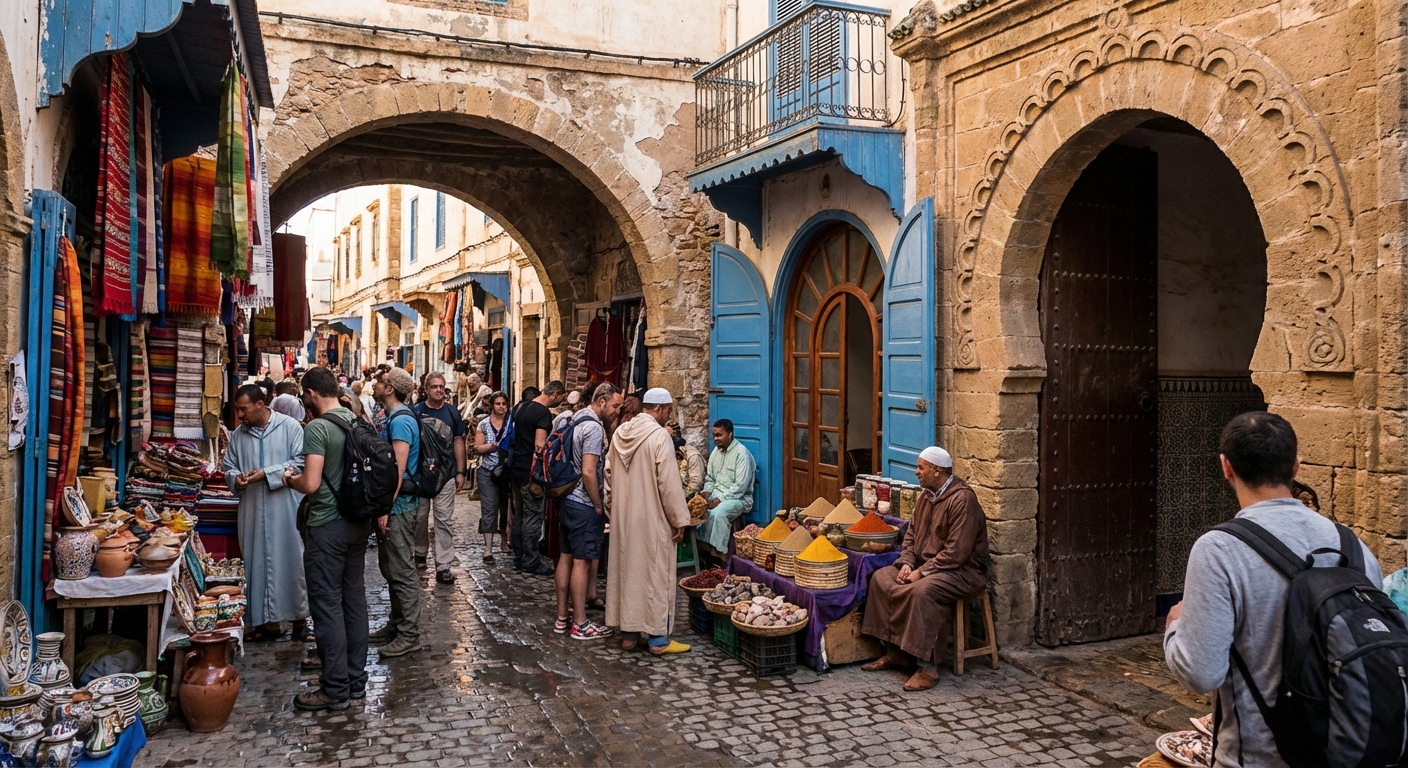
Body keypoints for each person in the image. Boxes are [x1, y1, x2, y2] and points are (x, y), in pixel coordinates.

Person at [1163, 412, 1382, 766]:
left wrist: (1175, 625)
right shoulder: (1352, 545)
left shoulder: (1218, 549)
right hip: (1349, 751)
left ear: (1226, 467)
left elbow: (1200, 673)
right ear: (1295, 467)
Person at [861, 446, 989, 692]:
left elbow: (956, 553)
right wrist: (907, 563)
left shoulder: (962, 499)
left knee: (922, 592)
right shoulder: (926, 497)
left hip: (961, 571)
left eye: (921, 467)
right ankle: (895, 652)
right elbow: (910, 537)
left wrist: (921, 572)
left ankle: (927, 666)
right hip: (926, 566)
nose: (916, 472)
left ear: (937, 470)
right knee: (882, 578)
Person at [282, 367, 371, 711]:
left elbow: (312, 483)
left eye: (306, 396)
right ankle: (356, 681)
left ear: (311, 394)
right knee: (354, 601)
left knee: (327, 605)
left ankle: (335, 688)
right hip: (357, 524)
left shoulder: (319, 428)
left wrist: (291, 479)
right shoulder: (357, 419)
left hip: (326, 526)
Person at [604, 387, 692, 655]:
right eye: (668, 410)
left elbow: (608, 475)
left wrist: (614, 510)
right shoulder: (659, 437)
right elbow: (668, 484)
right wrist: (679, 519)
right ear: (662, 408)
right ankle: (657, 640)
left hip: (624, 520)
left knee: (629, 574)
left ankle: (629, 635)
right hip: (653, 519)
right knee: (655, 576)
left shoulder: (620, 433)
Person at [223, 384, 308, 641]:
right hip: (251, 510)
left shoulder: (290, 427)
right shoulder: (238, 436)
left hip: (285, 509)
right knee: (256, 564)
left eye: (243, 409)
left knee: (291, 562)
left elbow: (300, 463)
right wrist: (235, 479)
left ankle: (299, 620)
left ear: (261, 404)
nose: (240, 415)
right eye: (237, 409)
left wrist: (265, 474)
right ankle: (263, 623)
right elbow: (228, 467)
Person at [553, 383, 622, 640]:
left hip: (567, 500)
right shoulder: (593, 427)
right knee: (581, 562)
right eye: (615, 406)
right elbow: (589, 471)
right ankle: (580, 623)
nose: (617, 411)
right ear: (601, 402)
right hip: (583, 503)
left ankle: (562, 617)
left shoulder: (572, 419)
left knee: (565, 556)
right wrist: (598, 505)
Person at [367, 367, 424, 658]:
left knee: (401, 571)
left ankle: (409, 634)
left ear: (390, 388)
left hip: (400, 507)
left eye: (379, 381)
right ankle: (397, 624)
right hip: (395, 505)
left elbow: (397, 470)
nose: (374, 386)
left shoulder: (401, 421)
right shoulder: (395, 418)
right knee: (391, 569)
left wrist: (385, 508)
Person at [411, 372, 468, 585]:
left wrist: (460, 472)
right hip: (422, 475)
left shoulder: (452, 413)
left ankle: (444, 565)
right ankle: (419, 552)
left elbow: (458, 441)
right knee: (420, 518)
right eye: (434, 386)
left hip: (446, 475)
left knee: (444, 521)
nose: (438, 390)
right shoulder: (417, 413)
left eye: (441, 386)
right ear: (426, 389)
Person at [508, 380, 566, 575]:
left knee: (520, 515)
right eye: (561, 398)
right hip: (530, 472)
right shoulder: (542, 413)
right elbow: (539, 446)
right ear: (556, 394)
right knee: (533, 516)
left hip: (515, 467)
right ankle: (531, 561)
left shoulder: (521, 407)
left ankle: (518, 557)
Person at [696, 419, 756, 557]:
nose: (716, 439)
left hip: (739, 498)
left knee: (718, 513)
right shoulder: (715, 452)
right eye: (714, 435)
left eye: (719, 435)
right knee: (699, 510)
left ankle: (718, 553)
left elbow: (740, 487)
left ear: (730, 434)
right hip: (717, 493)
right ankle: (702, 548)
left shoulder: (742, 454)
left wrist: (719, 500)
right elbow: (710, 478)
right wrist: (706, 493)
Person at [473, 391, 511, 563]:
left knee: (506, 508)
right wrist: (492, 446)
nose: (501, 407)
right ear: (492, 406)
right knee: (489, 509)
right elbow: (477, 447)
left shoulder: (512, 424)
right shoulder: (483, 424)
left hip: (507, 471)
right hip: (488, 471)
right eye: (498, 404)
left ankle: (505, 539)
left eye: (504, 404)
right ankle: (488, 549)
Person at [671, 424, 706, 497]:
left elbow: (696, 485)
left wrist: (677, 499)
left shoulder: (692, 455)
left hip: (690, 498)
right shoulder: (666, 455)